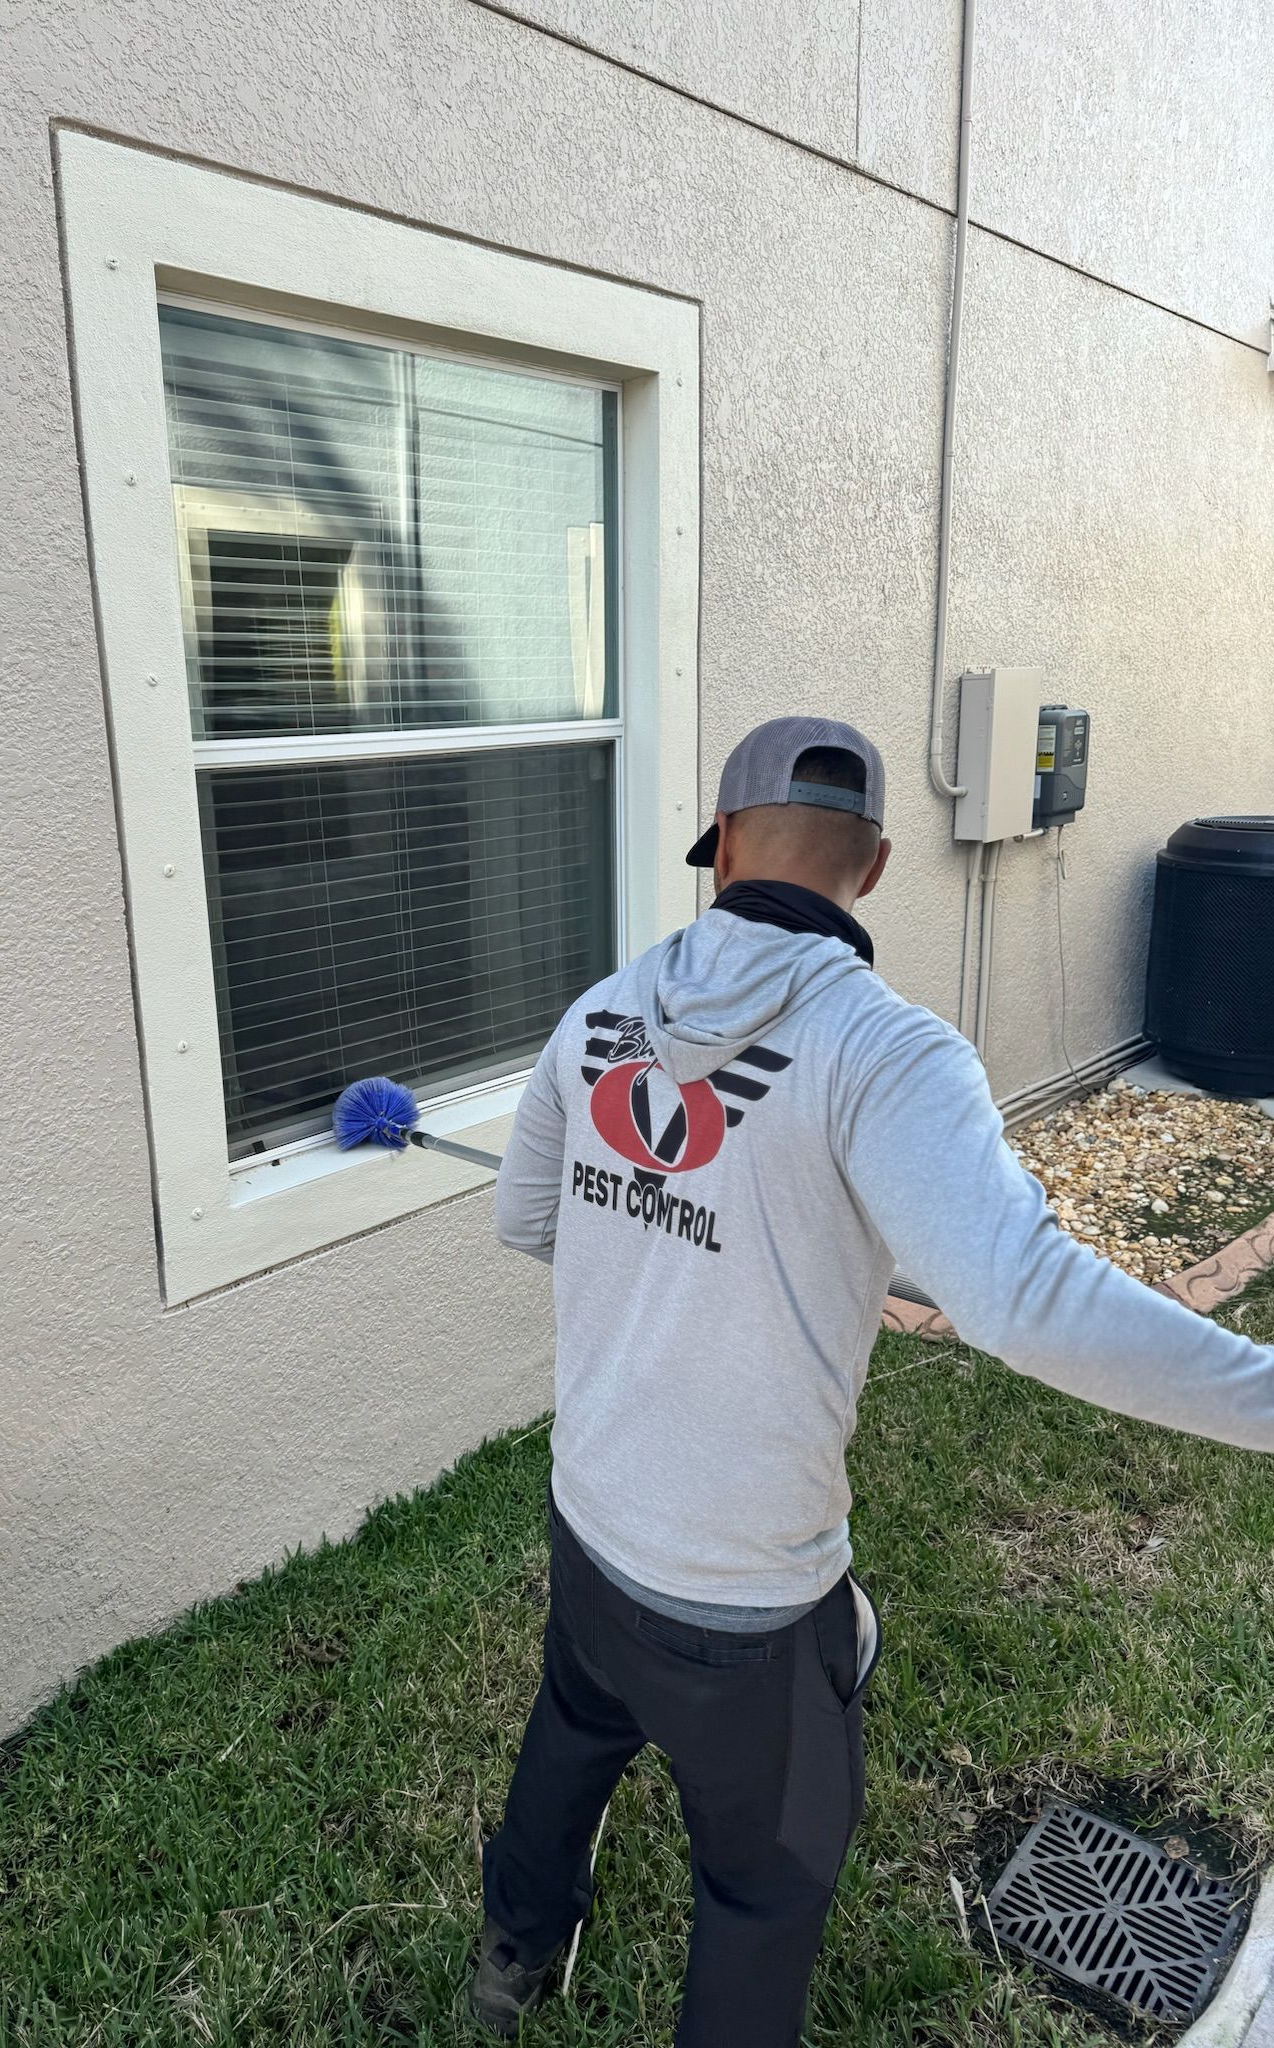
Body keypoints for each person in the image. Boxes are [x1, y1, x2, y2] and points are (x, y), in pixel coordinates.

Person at [469, 715, 1274, 2046]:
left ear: (719, 846)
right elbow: (1027, 1298)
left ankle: (511, 1957)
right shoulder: (889, 1054)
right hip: (747, 1604)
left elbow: (531, 1224)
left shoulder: (595, 1017)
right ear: (882, 866)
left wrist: (691, 1233)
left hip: (591, 1518)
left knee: (574, 1729)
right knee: (762, 1885)